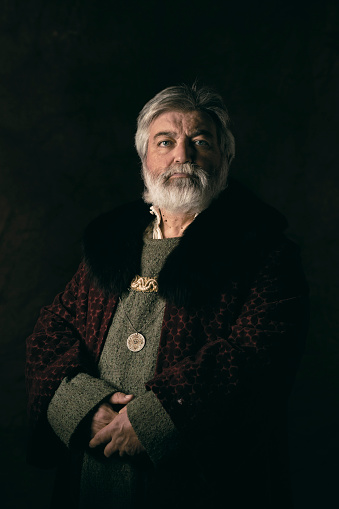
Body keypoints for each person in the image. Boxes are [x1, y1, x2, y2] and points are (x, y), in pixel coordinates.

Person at [26, 83, 309, 509]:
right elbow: (50, 332)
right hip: (89, 481)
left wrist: (156, 420)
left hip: (199, 490)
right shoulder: (110, 245)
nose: (183, 155)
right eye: (166, 141)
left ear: (225, 157)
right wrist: (84, 408)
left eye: (200, 141)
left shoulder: (263, 251)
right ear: (145, 158)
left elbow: (258, 356)